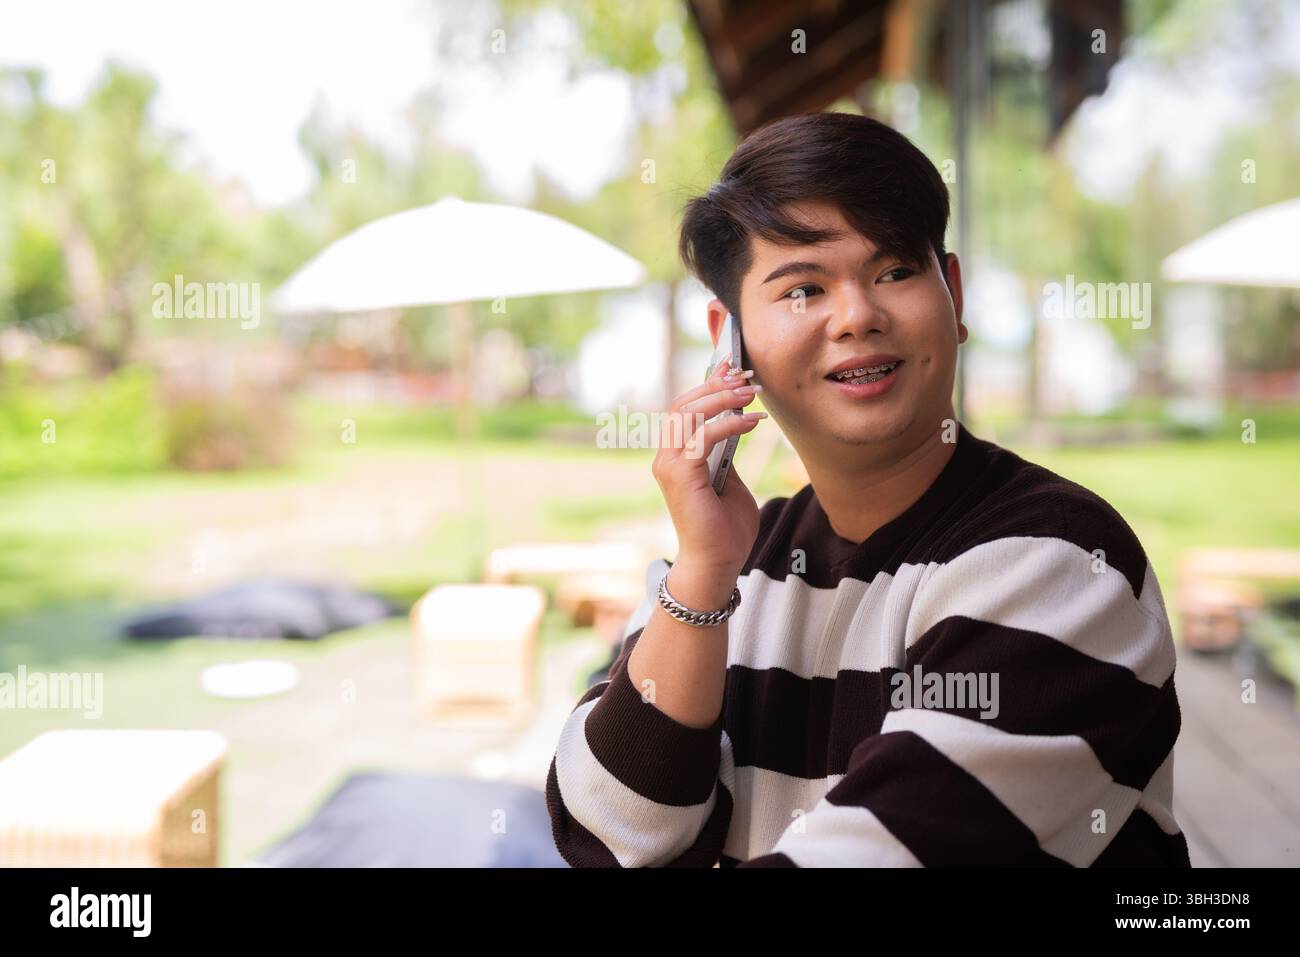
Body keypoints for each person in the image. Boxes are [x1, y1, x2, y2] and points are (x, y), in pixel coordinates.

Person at [545, 111, 1190, 867]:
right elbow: (606, 835)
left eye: (895, 273)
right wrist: (702, 576)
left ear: (953, 296)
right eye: (802, 289)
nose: (857, 316)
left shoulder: (1058, 561)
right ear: (731, 342)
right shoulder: (732, 565)